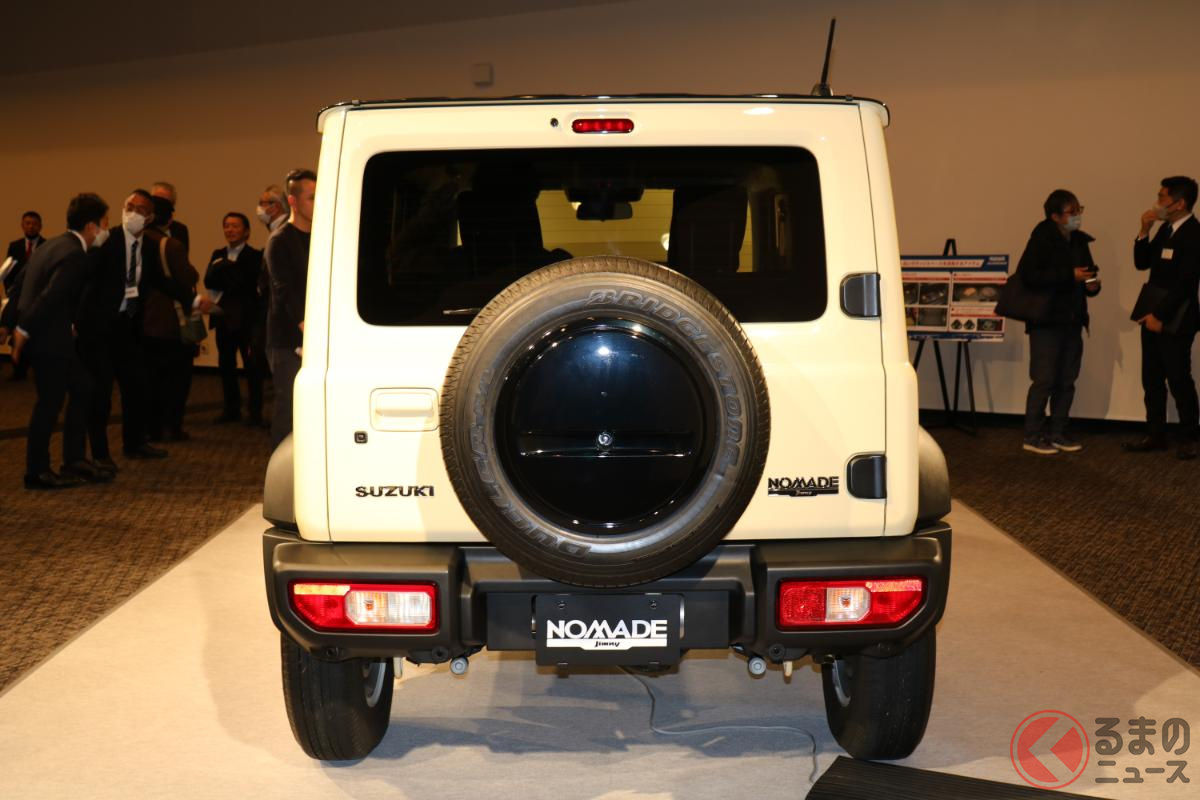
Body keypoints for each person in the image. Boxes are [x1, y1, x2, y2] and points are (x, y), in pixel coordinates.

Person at [11, 194, 110, 489]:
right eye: (104, 224)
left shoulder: (51, 244)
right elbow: (51, 295)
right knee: (50, 403)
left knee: (83, 387)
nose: (106, 230)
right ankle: (37, 471)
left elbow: (20, 285)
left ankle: (74, 458)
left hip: (53, 335)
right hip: (47, 338)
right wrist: (23, 329)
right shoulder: (75, 255)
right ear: (91, 227)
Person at [1017, 190, 1101, 454]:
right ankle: (1032, 435)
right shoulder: (1041, 239)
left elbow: (1087, 273)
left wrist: (1092, 284)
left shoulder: (1079, 240)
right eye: (1071, 212)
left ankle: (1058, 432)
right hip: (1046, 320)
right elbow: (1029, 276)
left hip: (1073, 319)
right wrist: (1069, 275)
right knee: (1044, 380)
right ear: (1055, 216)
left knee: (1067, 380)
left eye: (1079, 210)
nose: (1077, 216)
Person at [1125, 176, 1200, 460]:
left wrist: (1160, 315)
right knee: (1151, 378)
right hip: (1151, 313)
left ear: (1179, 203)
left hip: (1177, 317)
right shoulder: (1165, 229)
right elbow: (1142, 263)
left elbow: (1186, 283)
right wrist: (1144, 231)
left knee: (1179, 378)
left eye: (1162, 197)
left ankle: (1189, 437)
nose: (1157, 203)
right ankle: (1155, 434)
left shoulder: (1194, 234)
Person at [142, 194, 201, 442]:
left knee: (150, 378)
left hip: (143, 319)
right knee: (176, 378)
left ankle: (150, 427)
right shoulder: (170, 245)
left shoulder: (136, 241)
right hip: (169, 320)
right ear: (170, 219)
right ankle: (171, 426)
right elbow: (188, 277)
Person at [265, 168, 315, 448]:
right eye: (311, 197)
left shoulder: (321, 236)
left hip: (314, 335)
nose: (317, 203)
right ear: (293, 201)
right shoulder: (280, 240)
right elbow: (284, 290)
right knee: (289, 408)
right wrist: (306, 330)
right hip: (288, 339)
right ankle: (281, 467)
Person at [205, 212, 264, 425]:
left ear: (246, 231)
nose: (230, 230)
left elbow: (245, 283)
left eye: (235, 226)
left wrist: (223, 268)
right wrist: (227, 270)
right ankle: (231, 409)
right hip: (224, 317)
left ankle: (255, 413)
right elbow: (210, 281)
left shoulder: (255, 255)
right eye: (227, 226)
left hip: (247, 320)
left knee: (252, 367)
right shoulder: (218, 253)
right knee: (226, 365)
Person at [3, 211, 46, 380]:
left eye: (34, 223)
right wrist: (10, 291)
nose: (30, 226)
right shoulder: (14, 246)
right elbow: (8, 271)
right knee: (16, 329)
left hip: (38, 297)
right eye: (27, 223)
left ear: (40, 226)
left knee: (34, 333)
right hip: (18, 296)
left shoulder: (46, 245)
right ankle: (19, 370)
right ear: (22, 225)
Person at [151, 181, 189, 253]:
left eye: (165, 204)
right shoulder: (141, 227)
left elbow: (181, 257)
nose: (160, 207)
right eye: (157, 201)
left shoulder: (180, 230)